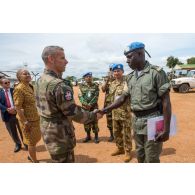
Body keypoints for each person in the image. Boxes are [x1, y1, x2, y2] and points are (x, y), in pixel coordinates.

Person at [99, 42, 172, 163]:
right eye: (126, 57)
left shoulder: (156, 73)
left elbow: (166, 102)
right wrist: (105, 110)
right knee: (140, 155)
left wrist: (166, 129)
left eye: (129, 57)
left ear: (140, 54)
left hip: (153, 121)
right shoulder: (131, 77)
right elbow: (123, 98)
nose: (127, 61)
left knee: (151, 159)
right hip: (136, 121)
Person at [35, 46, 101, 163]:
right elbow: (73, 112)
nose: (66, 61)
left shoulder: (40, 80)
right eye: (62, 58)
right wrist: (93, 116)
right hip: (60, 136)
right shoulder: (59, 85)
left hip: (49, 134)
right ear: (51, 59)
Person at [14, 69, 41, 163]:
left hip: (35, 118)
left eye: (29, 73)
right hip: (28, 121)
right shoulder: (19, 89)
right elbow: (18, 108)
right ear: (19, 77)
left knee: (36, 139)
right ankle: (34, 161)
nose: (28, 75)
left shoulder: (30, 86)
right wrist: (25, 122)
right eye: (25, 74)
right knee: (31, 142)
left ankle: (31, 156)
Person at [109, 64, 132, 162]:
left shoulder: (127, 82)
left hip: (125, 112)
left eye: (118, 71)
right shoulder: (112, 83)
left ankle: (127, 151)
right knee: (116, 132)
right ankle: (120, 148)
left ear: (122, 71)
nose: (116, 73)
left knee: (126, 132)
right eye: (114, 71)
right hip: (115, 112)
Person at [0, 78, 26, 152]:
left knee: (22, 129)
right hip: (7, 115)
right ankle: (18, 144)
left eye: (8, 82)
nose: (8, 83)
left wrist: (15, 108)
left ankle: (26, 144)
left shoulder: (14, 90)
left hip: (17, 113)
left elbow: (20, 100)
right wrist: (7, 109)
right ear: (1, 84)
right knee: (12, 131)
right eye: (6, 83)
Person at [78, 72, 100, 143]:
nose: (89, 78)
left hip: (94, 107)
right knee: (86, 122)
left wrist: (90, 104)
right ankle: (88, 136)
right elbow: (80, 96)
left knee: (95, 122)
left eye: (90, 76)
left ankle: (96, 137)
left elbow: (96, 96)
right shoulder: (81, 86)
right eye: (87, 77)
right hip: (85, 108)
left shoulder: (95, 85)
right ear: (84, 78)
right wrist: (85, 103)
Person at [101, 64, 115, 142]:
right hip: (108, 104)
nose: (111, 71)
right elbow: (103, 89)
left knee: (119, 119)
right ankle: (111, 135)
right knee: (109, 119)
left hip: (118, 104)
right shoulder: (106, 79)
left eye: (113, 69)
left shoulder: (119, 79)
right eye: (110, 70)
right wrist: (107, 80)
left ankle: (119, 134)